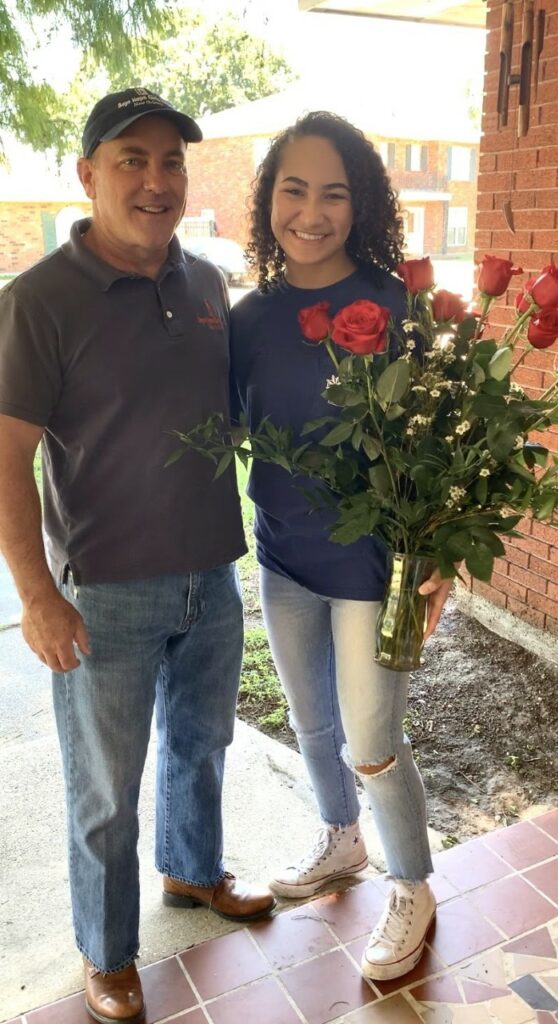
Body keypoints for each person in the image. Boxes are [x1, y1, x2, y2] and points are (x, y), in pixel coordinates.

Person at [0, 87, 274, 1024]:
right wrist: (37, 594)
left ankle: (193, 874)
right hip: (103, 592)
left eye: (171, 162)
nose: (155, 181)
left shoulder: (203, 285)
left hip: (211, 572)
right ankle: (106, 954)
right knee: (105, 791)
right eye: (132, 160)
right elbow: (7, 459)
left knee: (202, 747)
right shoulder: (38, 302)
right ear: (87, 175)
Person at [230, 111, 454, 982]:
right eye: (294, 188)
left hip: (371, 569)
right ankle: (339, 841)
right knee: (311, 723)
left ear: (359, 205)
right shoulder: (249, 317)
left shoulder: (395, 306)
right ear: (269, 199)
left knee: (371, 740)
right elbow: (229, 424)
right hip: (281, 556)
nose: (311, 211)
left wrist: (438, 550)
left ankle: (412, 883)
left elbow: (436, 438)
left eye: (334, 192)